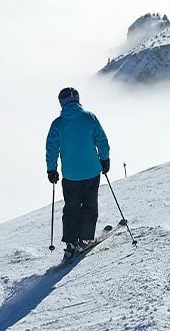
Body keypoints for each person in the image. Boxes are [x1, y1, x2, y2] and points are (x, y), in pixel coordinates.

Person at [45, 87, 110, 258]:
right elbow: (101, 140)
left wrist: (51, 169)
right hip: (92, 171)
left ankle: (71, 243)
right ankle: (86, 239)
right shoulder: (89, 118)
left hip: (71, 175)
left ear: (61, 102)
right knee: (90, 205)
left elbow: (52, 148)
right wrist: (105, 159)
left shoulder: (58, 124)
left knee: (71, 208)